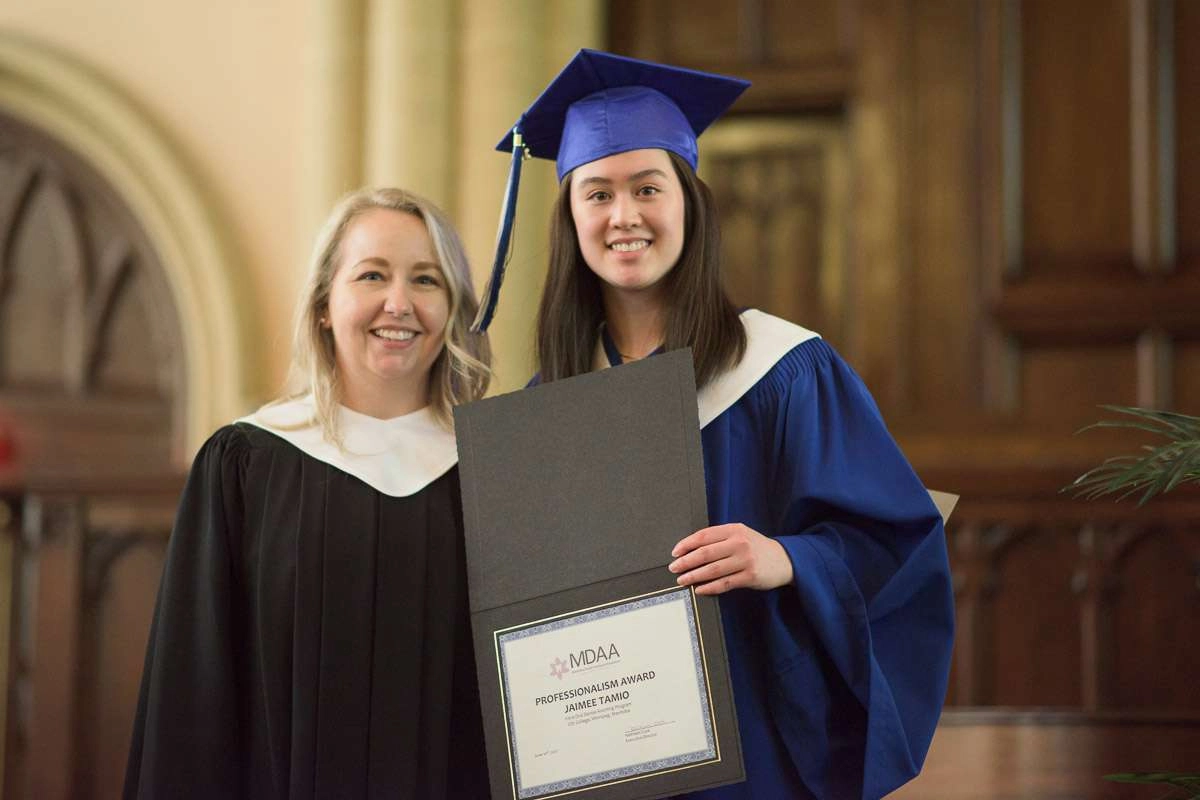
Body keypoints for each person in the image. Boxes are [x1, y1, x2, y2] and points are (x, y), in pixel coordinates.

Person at [476, 50, 955, 799]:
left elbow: (898, 544)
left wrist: (789, 559)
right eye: (597, 192)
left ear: (689, 205)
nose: (624, 215)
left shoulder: (785, 371)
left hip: (754, 757)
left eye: (647, 188)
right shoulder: (549, 407)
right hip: (601, 763)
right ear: (570, 218)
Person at [124, 187, 493, 799]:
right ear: (325, 304)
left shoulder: (491, 471)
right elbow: (191, 696)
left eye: (426, 280)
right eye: (372, 275)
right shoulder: (246, 464)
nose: (398, 303)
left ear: (453, 308)